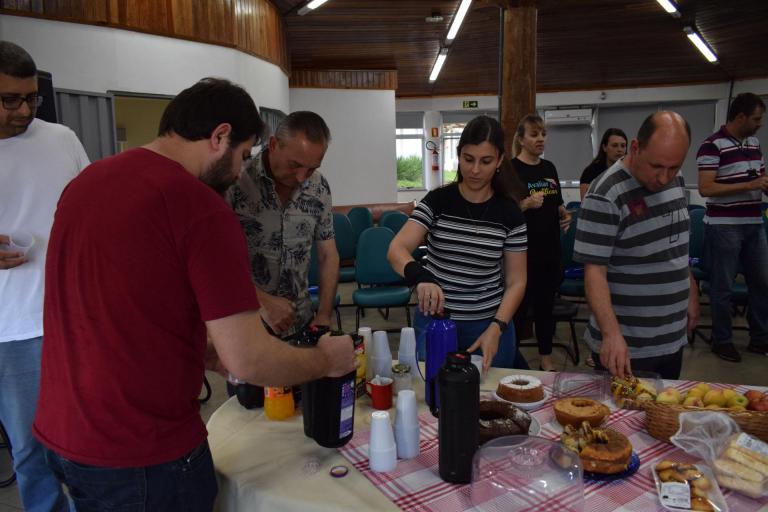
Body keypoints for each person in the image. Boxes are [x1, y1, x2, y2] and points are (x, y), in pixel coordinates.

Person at [32, 78, 356, 511]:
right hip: (143, 450)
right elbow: (249, 360)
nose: (241, 170)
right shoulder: (200, 205)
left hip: (65, 434)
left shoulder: (88, 182)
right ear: (220, 136)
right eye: (242, 155)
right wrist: (327, 360)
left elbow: (127, 309)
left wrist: (203, 353)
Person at [0, 40, 88, 512]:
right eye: (9, 99)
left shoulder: (61, 139)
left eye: (31, 98)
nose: (23, 110)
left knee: (84, 441)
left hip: (73, 320)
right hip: (11, 332)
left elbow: (92, 211)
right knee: (33, 451)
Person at [387, 115, 527, 373]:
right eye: (468, 159)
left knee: (489, 398)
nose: (475, 170)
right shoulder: (438, 201)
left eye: (485, 161)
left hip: (488, 322)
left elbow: (517, 281)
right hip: (436, 319)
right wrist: (421, 276)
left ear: (499, 161)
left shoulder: (510, 214)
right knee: (432, 394)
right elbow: (396, 249)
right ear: (458, 155)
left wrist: (498, 326)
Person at [574, 111, 699, 380]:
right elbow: (594, 272)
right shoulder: (605, 194)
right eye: (656, 166)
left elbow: (674, 243)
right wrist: (611, 335)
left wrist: (689, 288)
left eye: (674, 167)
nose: (665, 177)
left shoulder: (673, 178)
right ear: (635, 147)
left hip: (671, 337)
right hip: (627, 345)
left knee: (661, 417)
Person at [227, 111, 338, 338]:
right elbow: (214, 258)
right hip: (247, 324)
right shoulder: (236, 180)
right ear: (274, 144)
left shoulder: (318, 187)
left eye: (312, 168)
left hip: (301, 322)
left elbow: (328, 255)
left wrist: (324, 314)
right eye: (294, 165)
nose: (301, 177)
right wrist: (263, 300)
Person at [697, 92, 768, 362]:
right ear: (741, 117)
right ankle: (722, 340)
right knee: (722, 287)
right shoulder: (711, 146)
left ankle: (760, 338)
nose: (760, 123)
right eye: (756, 119)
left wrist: (761, 185)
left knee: (762, 284)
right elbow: (706, 188)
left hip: (753, 223)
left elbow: (756, 178)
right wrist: (749, 185)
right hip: (724, 225)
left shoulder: (754, 143)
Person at [509, 114, 572, 372]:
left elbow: (557, 203)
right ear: (522, 139)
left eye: (543, 134)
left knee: (546, 307)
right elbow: (504, 211)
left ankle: (545, 358)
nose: (540, 140)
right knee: (518, 309)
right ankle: (509, 357)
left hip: (549, 250)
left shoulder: (549, 168)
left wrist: (564, 215)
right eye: (534, 135)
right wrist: (525, 204)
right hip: (522, 253)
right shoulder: (512, 169)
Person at [579, 128, 628, 200]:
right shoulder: (590, 172)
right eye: (614, 145)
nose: (619, 150)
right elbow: (585, 203)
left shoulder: (630, 171)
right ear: (604, 147)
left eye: (623, 146)